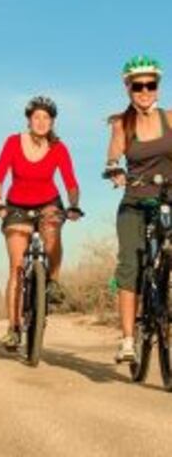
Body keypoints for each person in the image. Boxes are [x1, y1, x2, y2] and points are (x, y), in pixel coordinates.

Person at [0, 95, 81, 350]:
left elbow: (71, 183)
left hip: (48, 202)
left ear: (52, 122)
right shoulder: (12, 142)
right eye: (37, 117)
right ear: (29, 119)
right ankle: (13, 327)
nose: (41, 122)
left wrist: (73, 204)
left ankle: (52, 280)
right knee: (17, 267)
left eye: (47, 117)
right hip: (16, 205)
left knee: (52, 228)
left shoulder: (58, 148)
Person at [103, 55, 172, 363]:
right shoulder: (122, 123)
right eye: (138, 86)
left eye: (150, 85)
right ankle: (129, 340)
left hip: (168, 198)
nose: (144, 91)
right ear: (128, 89)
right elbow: (114, 156)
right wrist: (115, 170)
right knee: (130, 264)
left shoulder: (170, 119)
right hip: (133, 201)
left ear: (157, 88)